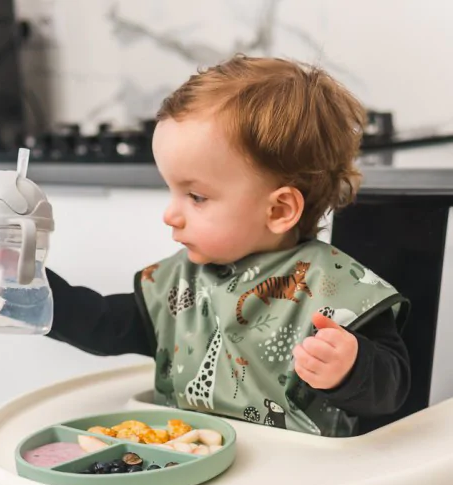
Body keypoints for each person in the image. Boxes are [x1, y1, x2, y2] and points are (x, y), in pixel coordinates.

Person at [46, 55, 410, 437]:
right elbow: (103, 324)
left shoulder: (333, 287)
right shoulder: (180, 284)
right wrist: (30, 290)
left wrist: (350, 368)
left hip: (296, 472)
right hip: (190, 460)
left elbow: (392, 388)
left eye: (196, 197)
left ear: (279, 210)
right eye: (171, 191)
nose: (170, 215)